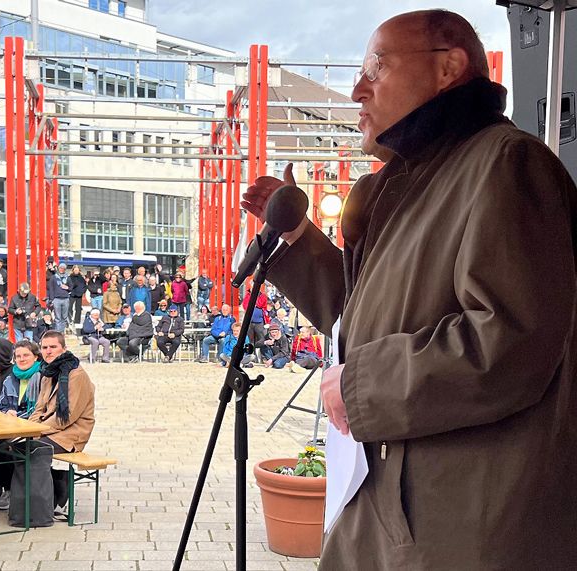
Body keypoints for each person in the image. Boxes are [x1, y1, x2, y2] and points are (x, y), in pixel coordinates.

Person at [241, 10, 577, 569]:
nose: (357, 88)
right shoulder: (413, 183)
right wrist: (300, 240)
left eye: (377, 66)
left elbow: (510, 341)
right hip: (404, 508)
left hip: (462, 524)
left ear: (448, 68)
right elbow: (366, 323)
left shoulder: (506, 164)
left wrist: (362, 387)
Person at [29, 331, 95, 454]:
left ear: (64, 349)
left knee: (27, 450)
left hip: (71, 434)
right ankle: (54, 474)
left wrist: (36, 431)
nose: (48, 351)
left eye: (53, 347)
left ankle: (56, 475)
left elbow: (68, 416)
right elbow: (38, 409)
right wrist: (28, 429)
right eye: (44, 347)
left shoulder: (76, 374)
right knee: (10, 446)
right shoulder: (48, 374)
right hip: (50, 429)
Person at [0, 339, 44, 418]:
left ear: (35, 357)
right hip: (12, 424)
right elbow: (1, 406)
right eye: (18, 356)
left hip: (36, 424)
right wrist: (7, 412)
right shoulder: (9, 380)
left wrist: (17, 417)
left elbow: (40, 409)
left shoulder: (43, 378)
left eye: (26, 355)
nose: (22, 359)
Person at [48, 262, 71, 332]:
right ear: (58, 268)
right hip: (57, 299)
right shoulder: (53, 277)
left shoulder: (68, 278)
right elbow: (51, 288)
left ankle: (62, 332)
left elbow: (71, 287)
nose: (61, 269)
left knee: (64, 317)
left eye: (63, 268)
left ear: (65, 269)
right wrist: (52, 299)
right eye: (60, 268)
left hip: (65, 299)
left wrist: (67, 287)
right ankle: (58, 333)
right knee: (57, 317)